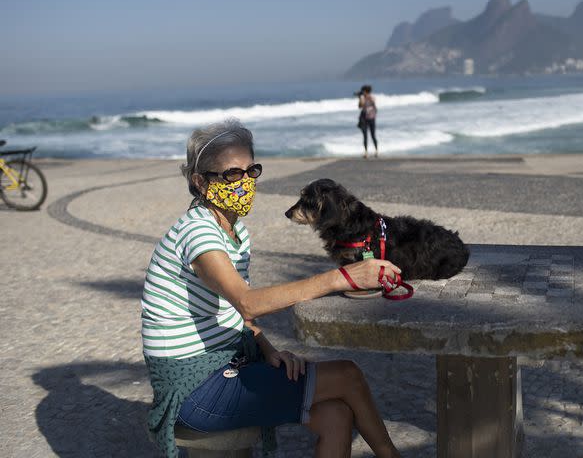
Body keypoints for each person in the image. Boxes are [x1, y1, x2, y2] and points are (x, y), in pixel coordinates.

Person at [141, 118, 402, 458]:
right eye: (232, 174)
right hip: (193, 388)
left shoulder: (234, 232)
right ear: (201, 182)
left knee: (336, 415)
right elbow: (247, 303)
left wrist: (267, 349)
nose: (245, 182)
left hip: (223, 365)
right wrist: (343, 277)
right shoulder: (199, 233)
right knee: (348, 376)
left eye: (251, 171)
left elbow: (235, 313)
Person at [356, 85, 379, 158]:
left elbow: (373, 101)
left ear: (366, 91)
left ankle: (376, 150)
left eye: (363, 91)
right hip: (364, 119)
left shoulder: (372, 97)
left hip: (371, 118)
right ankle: (366, 152)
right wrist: (360, 98)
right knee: (365, 136)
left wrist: (367, 96)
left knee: (373, 135)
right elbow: (360, 106)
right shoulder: (362, 98)